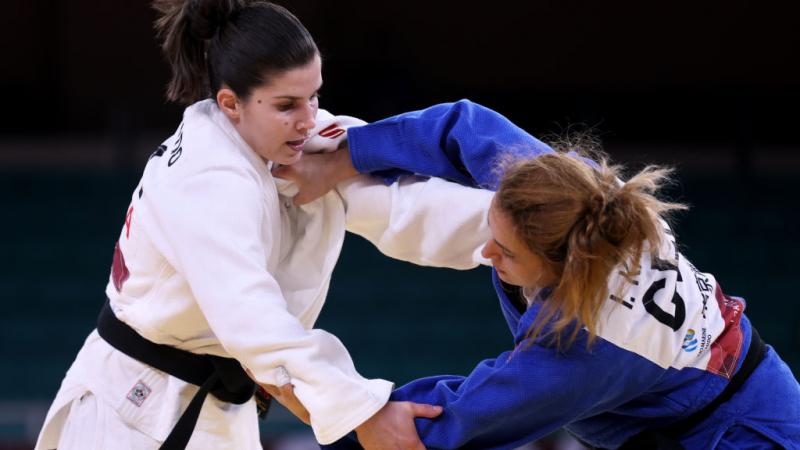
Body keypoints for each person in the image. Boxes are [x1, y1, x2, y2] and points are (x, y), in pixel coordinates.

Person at [33, 2, 490, 449]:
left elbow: (399, 203)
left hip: (217, 401)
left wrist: (516, 230)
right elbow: (253, 318)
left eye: (314, 96)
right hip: (134, 410)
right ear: (231, 103)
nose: (308, 119)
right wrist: (365, 412)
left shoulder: (292, 137)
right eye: (288, 104)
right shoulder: (204, 177)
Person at [275, 100, 800, 449]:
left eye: (505, 250)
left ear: (565, 270)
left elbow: (437, 424)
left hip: (737, 433)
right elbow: (462, 124)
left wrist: (298, 385)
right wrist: (346, 159)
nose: (485, 250)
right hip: (714, 393)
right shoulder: (566, 191)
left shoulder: (584, 352)